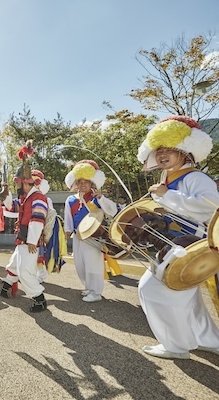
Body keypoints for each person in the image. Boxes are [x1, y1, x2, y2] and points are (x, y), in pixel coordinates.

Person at [136, 115, 219, 359]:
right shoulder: (168, 179)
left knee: (151, 289)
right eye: (159, 149)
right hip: (177, 245)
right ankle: (209, 339)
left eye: (169, 148)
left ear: (184, 151)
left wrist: (167, 196)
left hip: (192, 245)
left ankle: (175, 346)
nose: (162, 154)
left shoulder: (195, 177)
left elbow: (211, 207)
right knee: (186, 295)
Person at [0, 153, 49, 312]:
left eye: (18, 184)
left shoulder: (38, 197)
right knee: (13, 265)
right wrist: (6, 192)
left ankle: (39, 299)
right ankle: (5, 287)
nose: (17, 187)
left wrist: (32, 240)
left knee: (25, 271)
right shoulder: (25, 198)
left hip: (29, 241)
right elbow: (11, 207)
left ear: (25, 183)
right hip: (22, 239)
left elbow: (38, 219)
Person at [63, 160, 117, 303]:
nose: (82, 184)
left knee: (93, 264)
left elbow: (112, 210)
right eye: (80, 182)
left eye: (86, 182)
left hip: (94, 236)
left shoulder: (96, 198)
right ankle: (88, 287)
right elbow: (68, 217)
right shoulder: (70, 200)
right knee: (80, 264)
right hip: (78, 236)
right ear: (75, 183)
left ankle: (96, 292)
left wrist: (102, 199)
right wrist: (68, 230)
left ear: (91, 183)